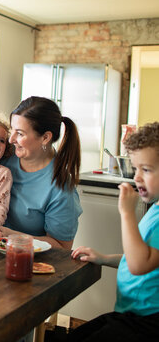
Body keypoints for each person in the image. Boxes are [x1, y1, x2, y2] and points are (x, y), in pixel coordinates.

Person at [69, 122, 159, 340]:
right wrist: (103, 258)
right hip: (130, 313)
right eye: (135, 168)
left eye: (146, 170)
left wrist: (127, 213)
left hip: (147, 322)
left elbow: (140, 265)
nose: (136, 177)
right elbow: (141, 257)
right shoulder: (155, 209)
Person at [0, 96, 82, 249]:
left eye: (20, 133)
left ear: (45, 138)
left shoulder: (60, 189)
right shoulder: (3, 156)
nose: (11, 139)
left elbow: (62, 247)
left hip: (29, 263)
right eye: (12, 130)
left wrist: (14, 236)